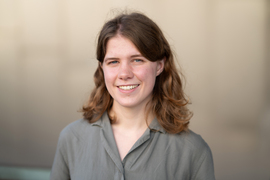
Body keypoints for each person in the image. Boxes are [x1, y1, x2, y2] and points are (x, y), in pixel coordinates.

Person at [50, 12, 215, 180]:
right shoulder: (72, 138)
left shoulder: (193, 151)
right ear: (102, 68)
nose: (124, 74)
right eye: (113, 62)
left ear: (159, 66)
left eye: (137, 60)